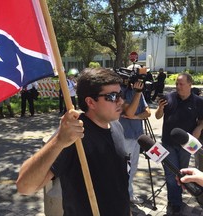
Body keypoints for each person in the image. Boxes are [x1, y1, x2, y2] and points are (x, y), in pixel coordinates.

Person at [16, 67, 131, 215]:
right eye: (113, 96)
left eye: (120, 94)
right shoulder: (73, 134)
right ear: (90, 102)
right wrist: (58, 141)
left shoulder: (117, 126)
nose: (121, 101)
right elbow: (25, 186)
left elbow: (120, 188)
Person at [155, 72, 203, 214]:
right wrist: (160, 108)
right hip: (168, 143)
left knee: (182, 174)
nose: (178, 86)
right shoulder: (168, 98)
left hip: (187, 144)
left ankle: (179, 199)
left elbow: (201, 120)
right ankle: (174, 203)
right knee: (171, 174)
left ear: (190, 85)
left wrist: (199, 128)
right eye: (176, 83)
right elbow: (158, 116)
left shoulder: (198, 101)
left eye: (181, 84)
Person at [119, 80, 151, 204]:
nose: (139, 82)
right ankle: (124, 197)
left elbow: (148, 112)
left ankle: (129, 194)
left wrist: (137, 117)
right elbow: (129, 112)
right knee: (125, 169)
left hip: (137, 136)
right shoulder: (122, 92)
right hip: (125, 136)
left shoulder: (139, 93)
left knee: (133, 168)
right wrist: (137, 93)